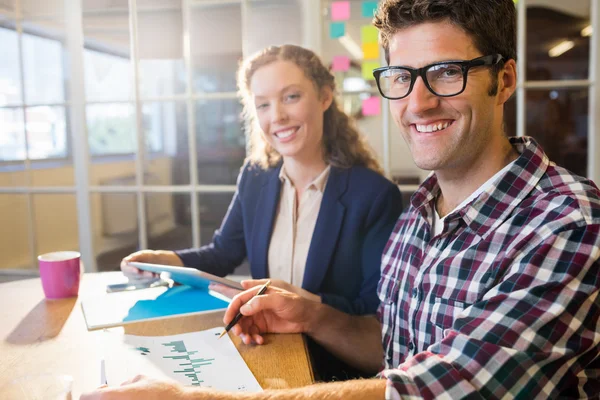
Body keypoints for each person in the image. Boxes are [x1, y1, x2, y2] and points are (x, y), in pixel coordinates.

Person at [82, 0, 600, 399]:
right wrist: (310, 315)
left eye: (446, 72)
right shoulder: (419, 213)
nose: (418, 103)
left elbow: (437, 388)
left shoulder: (568, 222)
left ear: (504, 79)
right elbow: (392, 347)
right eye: (402, 78)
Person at [120, 45, 403, 380]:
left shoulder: (374, 195)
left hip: (336, 366)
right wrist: (165, 260)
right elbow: (223, 253)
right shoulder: (255, 177)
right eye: (263, 105)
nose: (277, 116)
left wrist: (298, 300)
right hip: (267, 350)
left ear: (325, 97)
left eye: (291, 97)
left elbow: (372, 314)